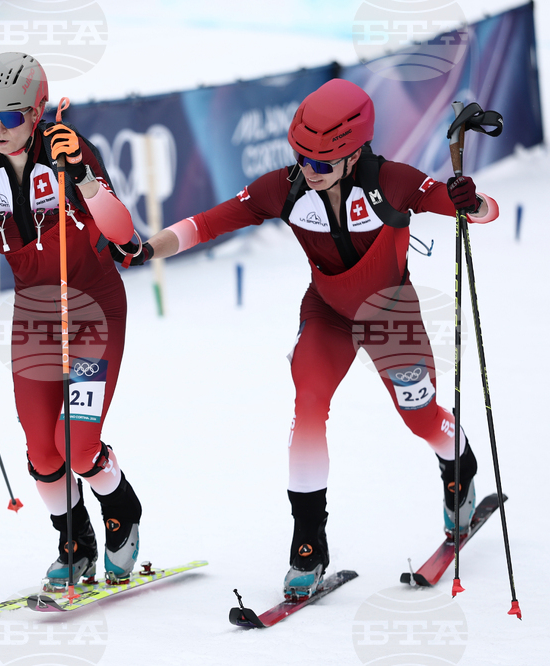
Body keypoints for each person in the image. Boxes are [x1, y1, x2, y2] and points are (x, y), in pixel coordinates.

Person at [112, 78, 498, 598]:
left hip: (391, 312)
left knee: (421, 417)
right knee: (309, 407)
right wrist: (146, 249)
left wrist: (469, 201)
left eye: (320, 163)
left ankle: (459, 466)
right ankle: (307, 544)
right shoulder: (286, 187)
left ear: (354, 150)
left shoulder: (394, 181)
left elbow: (476, 212)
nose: (307, 171)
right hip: (328, 314)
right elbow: (207, 223)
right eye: (301, 158)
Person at [0, 52, 144, 587]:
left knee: (77, 445)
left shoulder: (70, 152)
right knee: (43, 453)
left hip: (93, 309)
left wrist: (87, 184)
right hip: (35, 315)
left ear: (38, 110)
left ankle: (122, 513)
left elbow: (122, 233)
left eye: (11, 117)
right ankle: (75, 542)